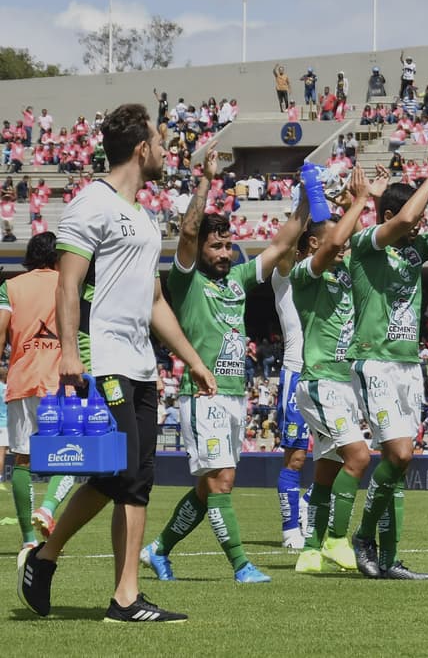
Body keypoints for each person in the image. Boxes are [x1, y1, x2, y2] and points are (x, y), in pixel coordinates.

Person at [21, 103, 215, 623]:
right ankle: (124, 598)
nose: (164, 149)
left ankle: (44, 558)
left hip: (141, 364)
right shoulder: (92, 201)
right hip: (103, 359)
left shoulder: (146, 219)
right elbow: (67, 281)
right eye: (157, 141)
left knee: (122, 478)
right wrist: (67, 351)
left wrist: (191, 359)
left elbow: (154, 302)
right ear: (140, 149)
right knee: (128, 477)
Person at [141, 146, 306, 584]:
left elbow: (283, 243)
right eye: (217, 245)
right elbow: (190, 231)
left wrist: (306, 198)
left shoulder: (236, 280)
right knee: (222, 482)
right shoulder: (187, 279)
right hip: (203, 395)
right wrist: (206, 179)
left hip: (234, 395)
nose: (224, 251)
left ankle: (158, 550)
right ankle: (240, 564)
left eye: (228, 244)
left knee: (205, 488)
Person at [346, 133, 428, 580]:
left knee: (400, 462)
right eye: (414, 221)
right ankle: (362, 537)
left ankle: (386, 558)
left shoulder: (414, 253)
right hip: (374, 359)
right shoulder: (368, 244)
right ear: (385, 216)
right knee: (398, 455)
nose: (420, 227)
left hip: (407, 364)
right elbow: (405, 217)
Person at [289, 166, 388, 575]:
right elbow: (334, 245)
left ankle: (310, 551)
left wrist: (367, 202)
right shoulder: (304, 274)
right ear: (314, 242)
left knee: (328, 469)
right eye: (334, 239)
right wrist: (359, 202)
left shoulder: (347, 271)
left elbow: (366, 246)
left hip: (344, 384)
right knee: (359, 458)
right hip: (320, 381)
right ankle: (335, 539)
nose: (343, 244)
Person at [3, 233, 76, 550]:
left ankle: (29, 540)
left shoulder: (10, 287)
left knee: (22, 460)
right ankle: (47, 509)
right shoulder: (68, 282)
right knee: (73, 455)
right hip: (59, 381)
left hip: (21, 379)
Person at [272, 213, 310, 551]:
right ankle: (289, 529)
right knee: (295, 457)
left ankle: (309, 503)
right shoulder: (286, 279)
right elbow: (283, 253)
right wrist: (304, 211)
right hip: (297, 372)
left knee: (346, 454)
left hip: (331, 375)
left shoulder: (334, 280)